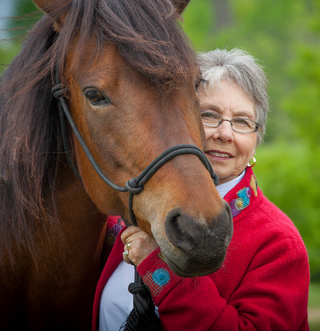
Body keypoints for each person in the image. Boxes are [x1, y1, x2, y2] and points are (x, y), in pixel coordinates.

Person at [92, 48, 310, 331]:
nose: (225, 133)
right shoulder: (122, 214)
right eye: (209, 115)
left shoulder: (279, 244)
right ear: (179, 124)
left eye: (242, 122)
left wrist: (158, 265)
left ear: (256, 141)